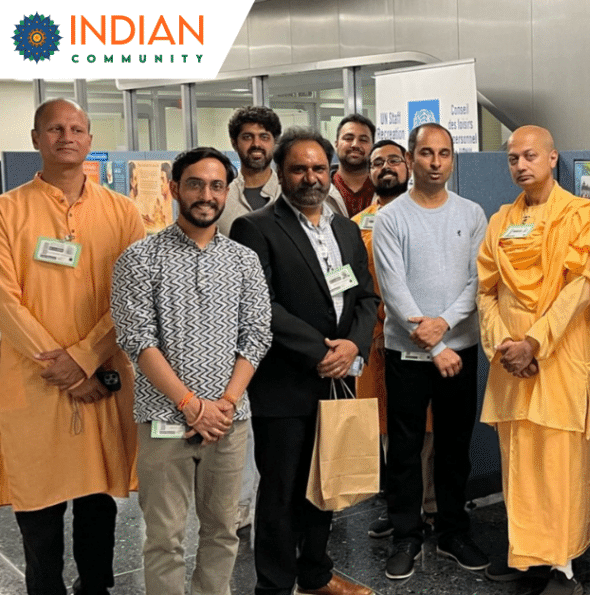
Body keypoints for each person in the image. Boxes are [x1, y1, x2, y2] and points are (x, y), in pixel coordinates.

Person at [111, 147, 272, 594]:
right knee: (164, 537)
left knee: (223, 530)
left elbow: (257, 335)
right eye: (196, 184)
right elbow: (137, 339)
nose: (206, 194)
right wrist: (190, 405)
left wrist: (223, 404)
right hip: (164, 419)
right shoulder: (140, 259)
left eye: (216, 185)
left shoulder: (244, 260)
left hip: (229, 422)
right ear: (173, 188)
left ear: (227, 192)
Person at [0, 98, 144, 595]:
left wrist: (84, 359)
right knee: (38, 509)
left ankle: (96, 586)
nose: (67, 136)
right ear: (36, 138)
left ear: (89, 140)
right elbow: (4, 299)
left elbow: (132, 297)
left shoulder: (123, 213)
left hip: (101, 376)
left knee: (97, 502)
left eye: (77, 128)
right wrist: (61, 365)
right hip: (33, 384)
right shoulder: (6, 211)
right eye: (55, 128)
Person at [230, 127, 377, 595]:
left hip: (338, 381)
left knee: (325, 484)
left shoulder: (345, 229)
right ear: (279, 173)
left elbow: (367, 298)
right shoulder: (255, 227)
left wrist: (353, 346)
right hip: (284, 385)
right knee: (278, 494)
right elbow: (261, 304)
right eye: (299, 168)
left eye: (318, 168)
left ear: (330, 172)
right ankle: (273, 586)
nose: (310, 177)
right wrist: (322, 352)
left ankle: (315, 575)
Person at [478, 125, 590, 595]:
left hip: (558, 358)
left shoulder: (583, 216)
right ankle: (527, 556)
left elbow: (583, 287)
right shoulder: (499, 222)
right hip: (512, 362)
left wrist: (534, 342)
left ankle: (564, 565)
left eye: (530, 155)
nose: (521, 165)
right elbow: (486, 290)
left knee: (561, 464)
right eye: (513, 158)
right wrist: (505, 346)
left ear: (553, 158)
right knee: (518, 462)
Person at [373, 123, 489, 580]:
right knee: (403, 448)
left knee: (455, 446)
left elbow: (478, 281)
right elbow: (393, 288)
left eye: (444, 153)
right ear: (409, 157)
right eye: (426, 153)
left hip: (459, 350)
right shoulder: (391, 217)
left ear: (451, 159)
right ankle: (406, 537)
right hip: (408, 354)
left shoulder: (472, 212)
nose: (435, 162)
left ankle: (453, 532)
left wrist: (445, 328)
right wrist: (433, 341)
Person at [351, 139, 439, 538]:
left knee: (427, 426)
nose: (385, 168)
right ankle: (399, 503)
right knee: (386, 428)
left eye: (393, 160)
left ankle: (432, 505)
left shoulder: (430, 214)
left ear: (408, 165)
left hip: (422, 337)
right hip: (373, 341)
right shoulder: (355, 227)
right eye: (376, 163)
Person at [220, 105, 348, 239]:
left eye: (264, 137)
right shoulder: (220, 197)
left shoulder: (308, 190)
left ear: (275, 142)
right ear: (234, 143)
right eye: (247, 137)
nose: (256, 144)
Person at [333, 113, 376, 216]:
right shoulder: (320, 189)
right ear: (336, 144)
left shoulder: (388, 190)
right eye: (348, 138)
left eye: (363, 140)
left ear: (373, 146)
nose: (355, 144)